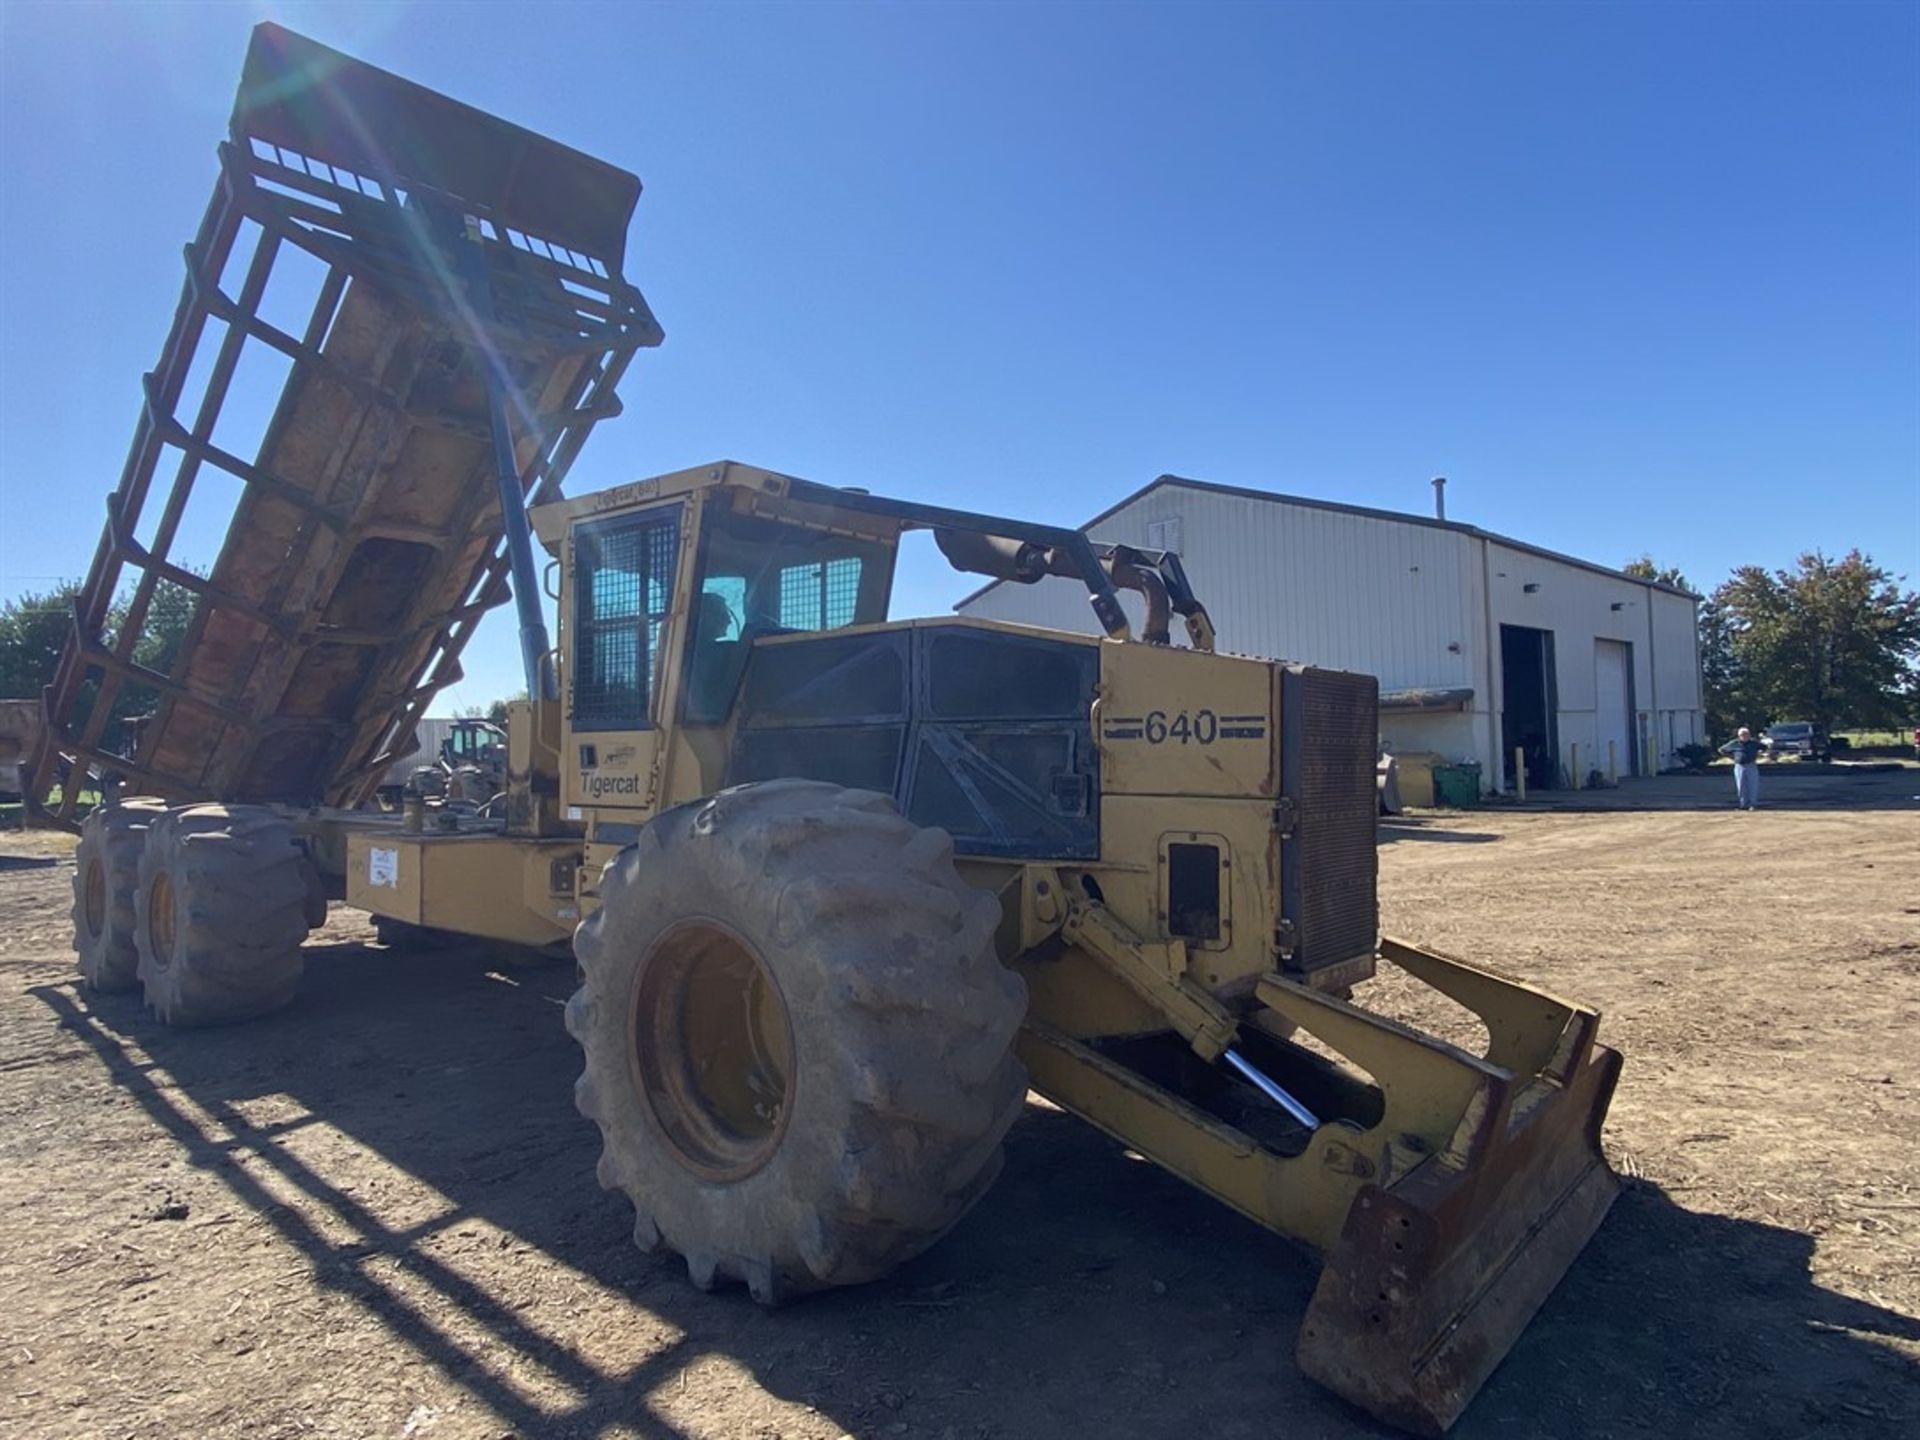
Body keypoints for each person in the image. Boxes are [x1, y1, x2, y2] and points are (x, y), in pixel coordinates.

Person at [1719, 727, 1764, 810]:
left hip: (1751, 765)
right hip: (1739, 766)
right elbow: (1722, 750)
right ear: (1739, 736)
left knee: (1752, 785)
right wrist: (1733, 757)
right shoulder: (1734, 743)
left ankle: (1752, 804)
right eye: (1742, 735)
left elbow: (1764, 747)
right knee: (1741, 786)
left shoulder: (1754, 743)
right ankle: (1743, 804)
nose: (1744, 736)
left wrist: (1759, 754)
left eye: (1746, 734)